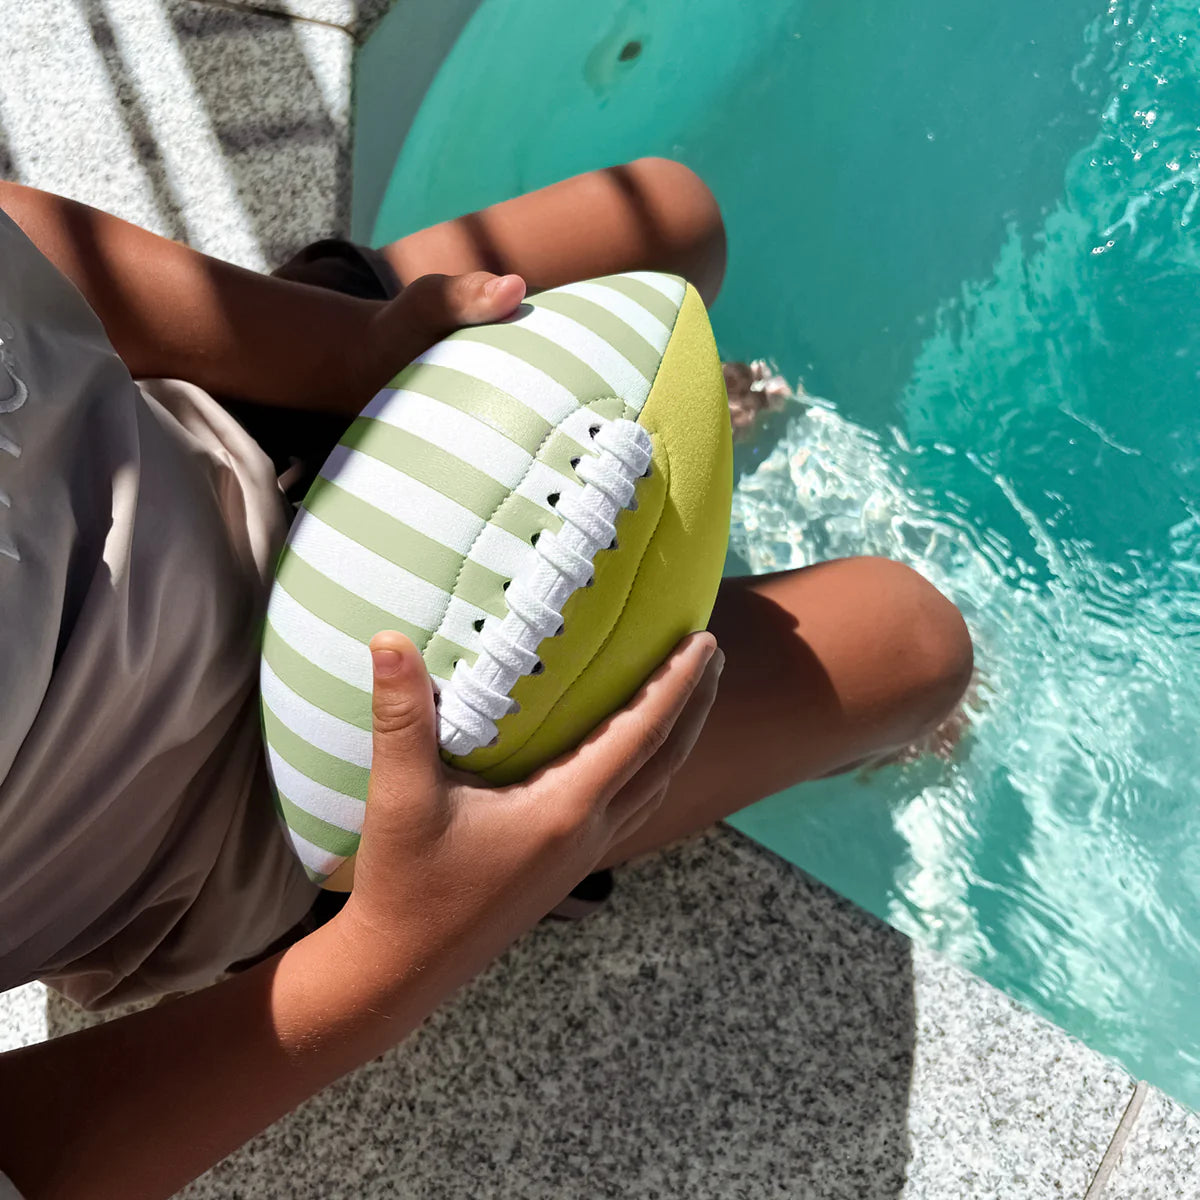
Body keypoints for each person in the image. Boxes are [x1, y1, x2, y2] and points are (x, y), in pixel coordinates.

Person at [0, 158, 972, 1199]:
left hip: (217, 425)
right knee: (919, 643)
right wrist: (397, 948)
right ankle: (683, 522)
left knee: (676, 218)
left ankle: (665, 488)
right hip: (256, 809)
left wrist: (348, 350)